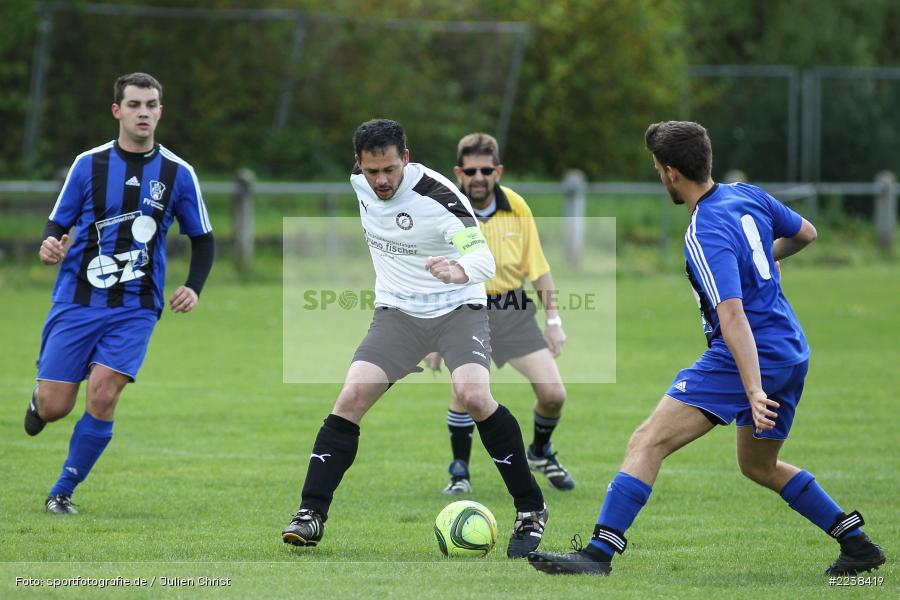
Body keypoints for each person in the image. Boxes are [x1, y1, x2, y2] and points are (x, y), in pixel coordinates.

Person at [528, 121, 885, 576]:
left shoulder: (704, 231)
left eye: (658, 169)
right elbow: (807, 233)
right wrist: (763, 261)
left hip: (748, 355)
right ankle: (856, 544)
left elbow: (732, 316)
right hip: (791, 348)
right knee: (758, 465)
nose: (660, 177)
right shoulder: (747, 195)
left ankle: (598, 554)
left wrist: (753, 390)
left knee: (647, 440)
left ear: (672, 173)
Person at [281, 119, 548, 558]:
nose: (381, 180)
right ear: (358, 165)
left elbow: (482, 257)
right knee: (351, 396)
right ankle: (310, 514)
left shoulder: (440, 198)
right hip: (398, 315)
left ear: (405, 158)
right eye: (372, 171)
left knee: (473, 395)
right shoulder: (360, 183)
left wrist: (458, 271)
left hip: (457, 309)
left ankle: (530, 508)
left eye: (390, 169)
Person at [24, 72, 215, 515]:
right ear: (117, 111)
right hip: (77, 299)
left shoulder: (178, 173)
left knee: (105, 393)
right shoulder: (88, 164)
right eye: (134, 104)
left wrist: (193, 286)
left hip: (136, 306)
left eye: (150, 105)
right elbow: (58, 223)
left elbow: (203, 239)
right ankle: (39, 401)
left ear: (160, 112)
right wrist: (51, 244)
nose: (143, 112)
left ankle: (62, 491)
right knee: (55, 407)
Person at [426, 133, 574, 495]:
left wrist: (554, 321)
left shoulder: (516, 206)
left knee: (554, 394)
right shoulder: (444, 209)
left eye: (486, 170)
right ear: (458, 173)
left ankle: (539, 452)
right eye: (471, 171)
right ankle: (459, 472)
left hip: (512, 309)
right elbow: (428, 272)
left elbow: (538, 268)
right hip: (463, 308)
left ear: (498, 171)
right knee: (464, 391)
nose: (479, 177)